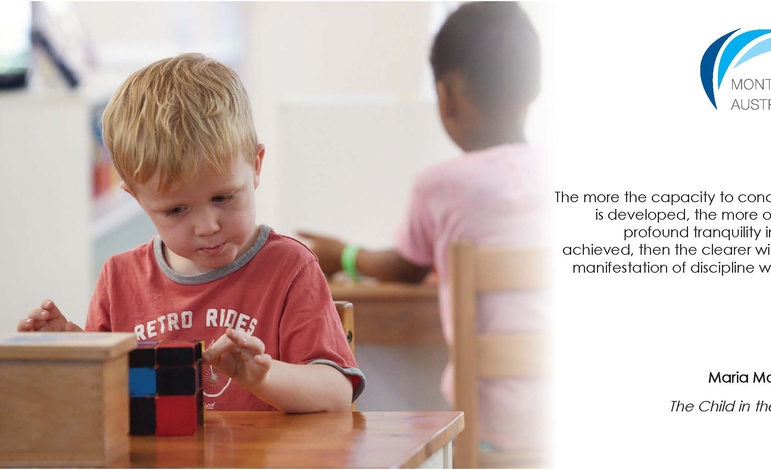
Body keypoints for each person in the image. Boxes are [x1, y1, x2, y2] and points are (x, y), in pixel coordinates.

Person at [17, 53, 365, 413]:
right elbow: (103, 402)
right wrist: (72, 350)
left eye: (223, 197)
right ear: (137, 198)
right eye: (176, 210)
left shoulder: (290, 268)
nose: (207, 226)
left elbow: (336, 394)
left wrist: (264, 378)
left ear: (256, 166)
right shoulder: (119, 279)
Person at [299, 2, 549, 451]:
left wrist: (344, 255)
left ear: (448, 94)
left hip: (495, 430)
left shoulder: (442, 186)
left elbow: (408, 266)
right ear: (534, 85)